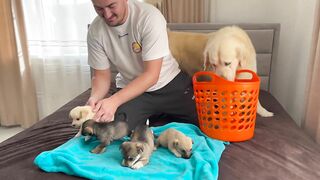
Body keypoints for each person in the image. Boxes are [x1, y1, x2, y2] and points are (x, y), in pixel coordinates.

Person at [87, 0, 198, 130]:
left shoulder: (149, 17)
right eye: (99, 8)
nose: (107, 15)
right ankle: (154, 118)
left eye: (111, 6)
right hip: (132, 90)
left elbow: (151, 75)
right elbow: (101, 76)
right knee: (111, 130)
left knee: (208, 123)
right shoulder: (95, 31)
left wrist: (114, 100)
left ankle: (158, 117)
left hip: (169, 83)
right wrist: (94, 99)